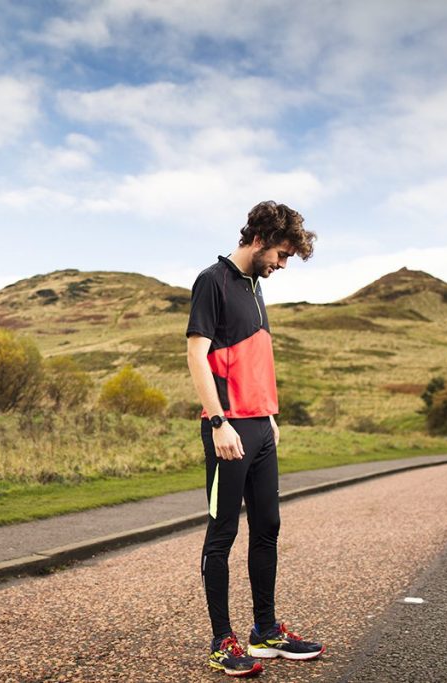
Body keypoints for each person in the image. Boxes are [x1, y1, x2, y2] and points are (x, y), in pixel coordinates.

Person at [185, 200, 324, 677]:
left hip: (261, 426)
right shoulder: (213, 280)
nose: (283, 266)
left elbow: (252, 358)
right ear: (260, 239)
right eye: (282, 255)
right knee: (222, 533)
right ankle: (221, 641)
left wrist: (269, 416)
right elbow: (197, 356)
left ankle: (264, 630)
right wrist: (218, 420)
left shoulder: (255, 286)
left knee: (268, 528)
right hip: (229, 429)